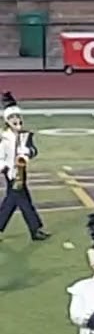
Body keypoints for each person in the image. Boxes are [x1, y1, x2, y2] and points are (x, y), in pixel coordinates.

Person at [0, 90, 49, 241]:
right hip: (11, 173)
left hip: (22, 171)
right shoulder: (3, 137)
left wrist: (26, 152)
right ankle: (35, 230)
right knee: (20, 201)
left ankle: (35, 229)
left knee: (18, 200)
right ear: (7, 120)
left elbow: (34, 151)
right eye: (12, 118)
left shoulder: (26, 135)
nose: (16, 120)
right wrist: (5, 168)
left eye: (17, 117)